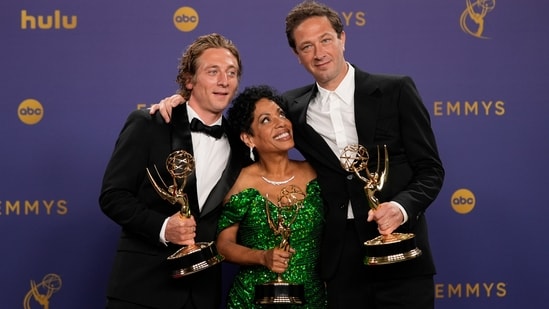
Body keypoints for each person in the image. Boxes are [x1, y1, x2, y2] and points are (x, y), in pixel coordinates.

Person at [151, 1, 445, 308]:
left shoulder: (395, 90)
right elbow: (247, 128)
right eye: (307, 46)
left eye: (326, 40)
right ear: (297, 55)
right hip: (338, 262)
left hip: (399, 249)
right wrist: (182, 102)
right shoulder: (291, 109)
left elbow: (430, 170)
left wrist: (400, 208)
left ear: (342, 39)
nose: (319, 53)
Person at [99, 33, 246, 309]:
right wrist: (164, 228)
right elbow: (113, 196)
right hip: (141, 290)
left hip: (202, 295)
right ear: (189, 80)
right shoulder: (150, 123)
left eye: (231, 73)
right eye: (212, 71)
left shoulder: (242, 146)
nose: (224, 81)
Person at [216, 85, 327, 308]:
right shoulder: (239, 183)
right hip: (252, 300)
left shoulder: (317, 173)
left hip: (311, 298)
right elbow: (223, 245)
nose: (281, 123)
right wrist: (263, 257)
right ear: (248, 138)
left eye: (281, 114)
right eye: (266, 120)